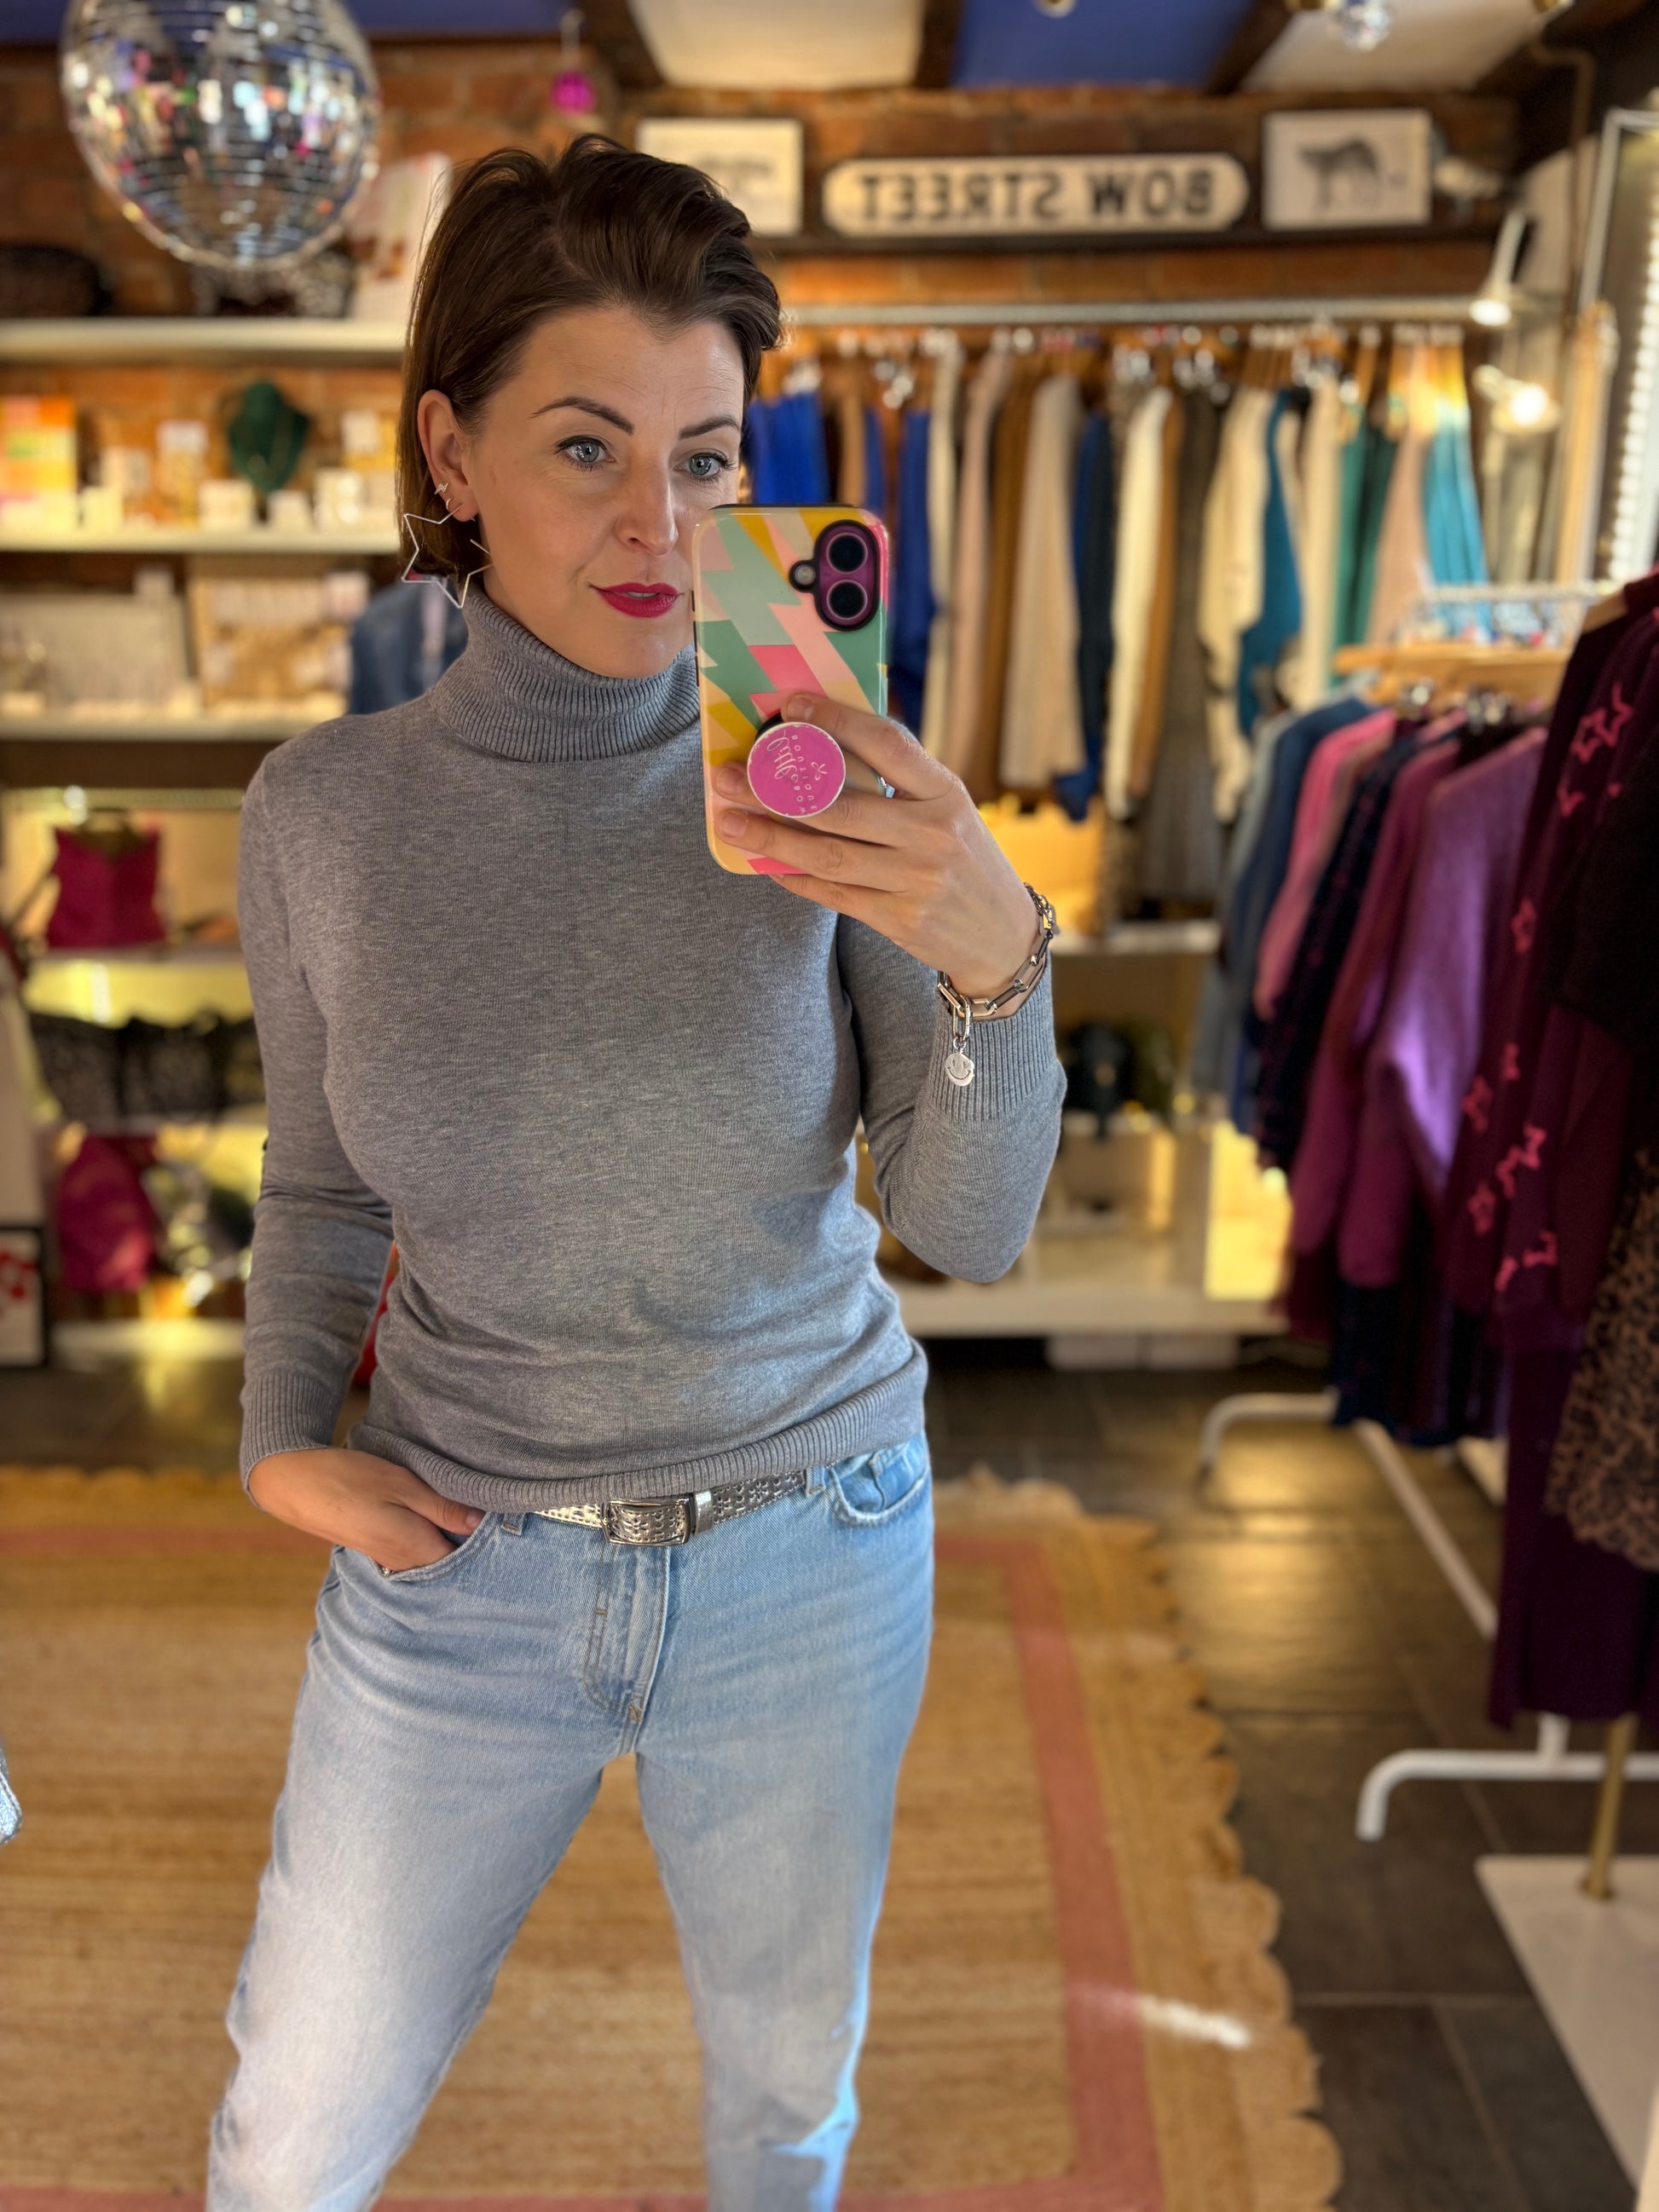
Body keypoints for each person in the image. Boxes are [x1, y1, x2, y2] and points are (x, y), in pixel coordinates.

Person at [209, 136, 1065, 2210]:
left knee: (784, 2103)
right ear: (453, 446)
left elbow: (968, 1222)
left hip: (804, 1537)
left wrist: (991, 948)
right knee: (290, 2126)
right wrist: (271, 1440)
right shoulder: (321, 815)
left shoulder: (833, 778)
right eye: (587, 445)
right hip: (458, 1559)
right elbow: (321, 1189)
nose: (657, 523)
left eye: (705, 457)